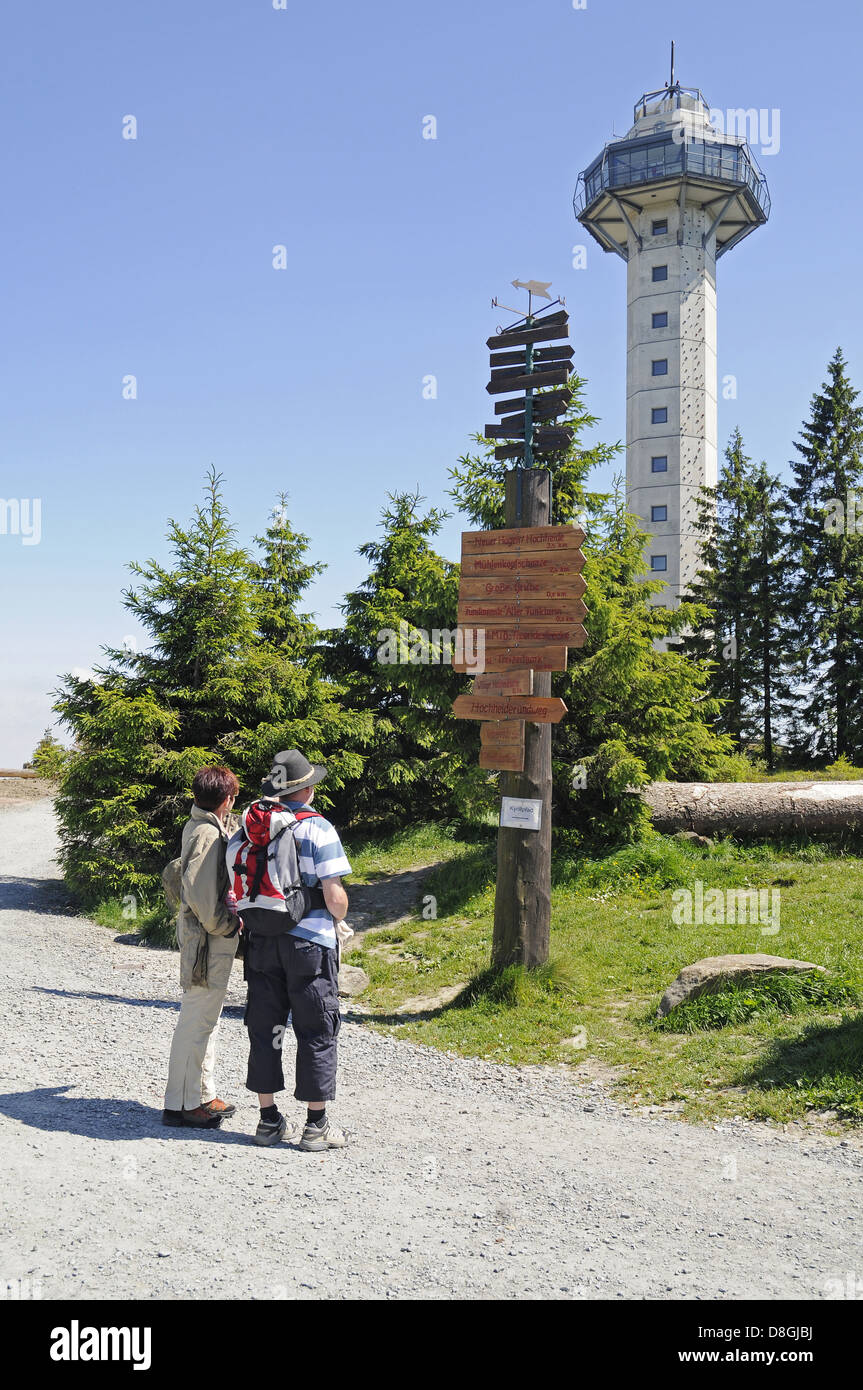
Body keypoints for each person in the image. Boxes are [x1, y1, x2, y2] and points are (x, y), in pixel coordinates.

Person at [226, 749, 351, 1152]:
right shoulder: (319, 829)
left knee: (266, 1029)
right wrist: (341, 916)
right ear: (309, 789)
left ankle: (267, 1121)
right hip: (310, 945)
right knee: (316, 1028)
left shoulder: (249, 831)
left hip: (261, 941)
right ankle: (315, 1126)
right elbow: (335, 898)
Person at [163, 766, 243, 1128]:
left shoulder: (200, 824)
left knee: (205, 1020)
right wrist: (225, 926)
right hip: (207, 941)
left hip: (204, 939)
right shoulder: (208, 833)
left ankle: (202, 1094)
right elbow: (197, 889)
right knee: (195, 1022)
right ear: (227, 799)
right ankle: (181, 1105)